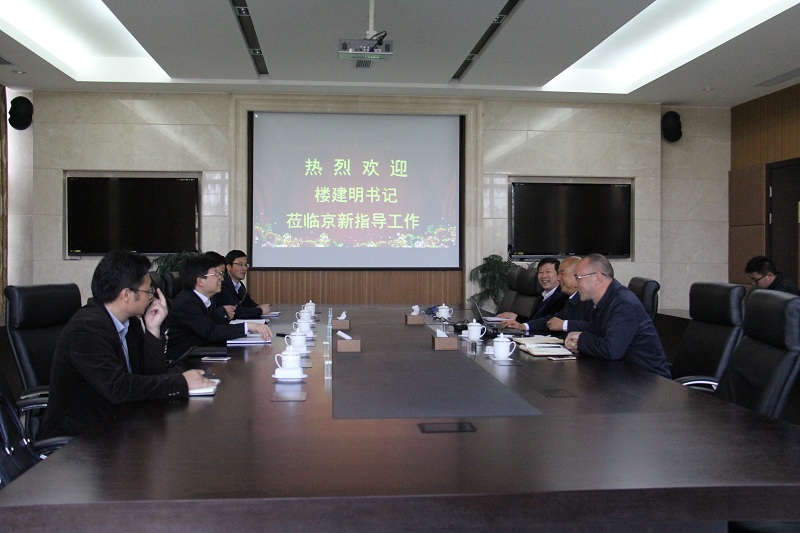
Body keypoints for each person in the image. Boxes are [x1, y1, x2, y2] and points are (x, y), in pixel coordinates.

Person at [38, 250, 215, 439]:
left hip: (121, 422)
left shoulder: (129, 322)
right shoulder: (87, 330)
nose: (152, 297)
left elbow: (149, 375)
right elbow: (118, 387)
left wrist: (153, 329)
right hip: (81, 437)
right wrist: (181, 382)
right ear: (126, 295)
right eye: (148, 291)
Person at [564, 253, 671, 378]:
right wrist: (578, 339)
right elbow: (595, 332)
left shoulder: (624, 304)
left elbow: (611, 349)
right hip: (622, 375)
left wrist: (581, 339)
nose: (576, 284)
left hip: (649, 381)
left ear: (597, 277)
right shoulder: (605, 301)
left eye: (578, 278)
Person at [163, 253, 272, 357]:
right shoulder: (187, 303)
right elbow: (211, 332)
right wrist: (247, 326)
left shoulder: (205, 299)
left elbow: (216, 326)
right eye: (216, 274)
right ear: (200, 281)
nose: (222, 278)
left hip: (203, 351)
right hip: (186, 360)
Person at [505, 256, 593, 335]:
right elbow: (550, 320)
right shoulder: (571, 299)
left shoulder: (590, 299)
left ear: (577, 276)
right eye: (540, 272)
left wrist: (564, 325)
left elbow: (595, 327)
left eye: (562, 274)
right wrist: (523, 326)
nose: (558, 278)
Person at [498, 257, 567, 326]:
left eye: (548, 272)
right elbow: (534, 321)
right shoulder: (544, 295)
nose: (543, 276)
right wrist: (516, 317)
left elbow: (548, 323)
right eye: (540, 272)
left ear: (559, 275)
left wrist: (522, 325)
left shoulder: (563, 297)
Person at [215, 250, 272, 319]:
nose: (245, 268)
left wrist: (260, 307)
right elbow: (235, 311)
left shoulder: (240, 285)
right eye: (240, 264)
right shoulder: (222, 285)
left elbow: (249, 304)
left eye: (245, 265)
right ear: (228, 267)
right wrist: (260, 310)